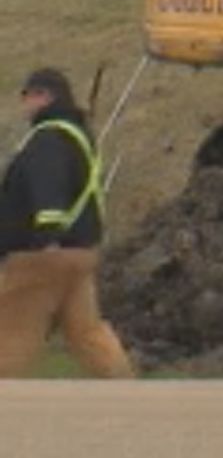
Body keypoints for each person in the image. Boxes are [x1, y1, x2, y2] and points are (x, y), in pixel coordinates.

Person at [0, 68, 135, 378]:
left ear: (44, 96)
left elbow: (48, 188)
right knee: (87, 332)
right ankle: (123, 386)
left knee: (12, 328)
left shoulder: (48, 139)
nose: (24, 103)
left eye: (27, 95)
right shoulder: (77, 136)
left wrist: (48, 237)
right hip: (78, 252)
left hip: (42, 255)